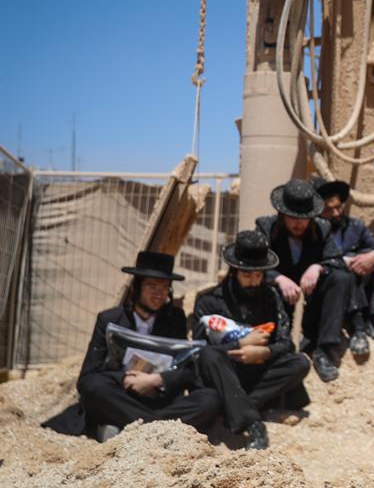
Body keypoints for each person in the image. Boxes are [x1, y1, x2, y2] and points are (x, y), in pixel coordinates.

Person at [74, 252, 220, 441]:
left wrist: (157, 380)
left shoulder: (175, 319)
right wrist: (125, 378)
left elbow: (185, 369)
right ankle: (160, 431)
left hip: (159, 400)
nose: (159, 294)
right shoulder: (109, 319)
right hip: (122, 397)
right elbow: (87, 376)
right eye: (152, 286)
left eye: (164, 287)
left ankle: (128, 427)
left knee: (209, 399)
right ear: (136, 288)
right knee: (94, 388)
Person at [193, 230, 311, 450]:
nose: (254, 281)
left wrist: (264, 352)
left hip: (259, 373)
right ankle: (253, 423)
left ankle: (238, 406)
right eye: (247, 275)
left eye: (258, 275)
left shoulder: (271, 297)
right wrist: (240, 345)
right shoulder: (208, 301)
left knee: (300, 362)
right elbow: (199, 352)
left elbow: (286, 344)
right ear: (234, 272)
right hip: (224, 374)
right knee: (209, 355)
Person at [256, 179, 356, 382]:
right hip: (278, 302)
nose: (298, 224)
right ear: (282, 214)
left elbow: (337, 261)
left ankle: (324, 349)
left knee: (340, 278)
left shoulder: (322, 228)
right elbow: (253, 265)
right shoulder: (265, 227)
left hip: (311, 302)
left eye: (304, 218)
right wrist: (278, 278)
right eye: (292, 218)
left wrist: (318, 267)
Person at [316, 178, 374, 354]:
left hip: (359, 283)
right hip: (331, 285)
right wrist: (346, 262)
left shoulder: (355, 226)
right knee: (347, 272)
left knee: (369, 261)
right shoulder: (315, 230)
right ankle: (359, 327)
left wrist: (372, 256)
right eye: (328, 210)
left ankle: (371, 319)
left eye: (338, 207)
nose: (336, 213)